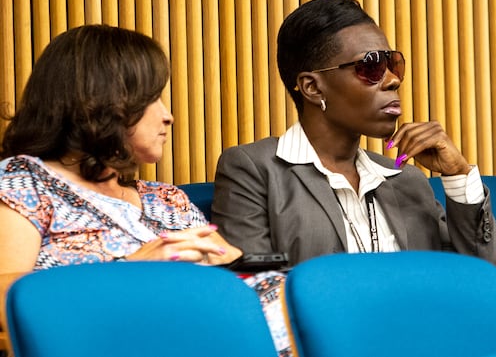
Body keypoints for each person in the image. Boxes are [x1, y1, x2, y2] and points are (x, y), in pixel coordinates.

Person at [0, 25, 290, 356]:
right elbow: (5, 295)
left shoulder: (168, 200)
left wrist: (239, 264)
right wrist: (126, 271)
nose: (168, 116)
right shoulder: (23, 181)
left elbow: (246, 282)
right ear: (98, 99)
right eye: (151, 99)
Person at [212, 0, 496, 271]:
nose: (392, 81)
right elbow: (256, 290)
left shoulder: (407, 181)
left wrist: (458, 175)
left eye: (393, 65)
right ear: (313, 88)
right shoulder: (255, 170)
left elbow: (484, 286)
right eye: (371, 66)